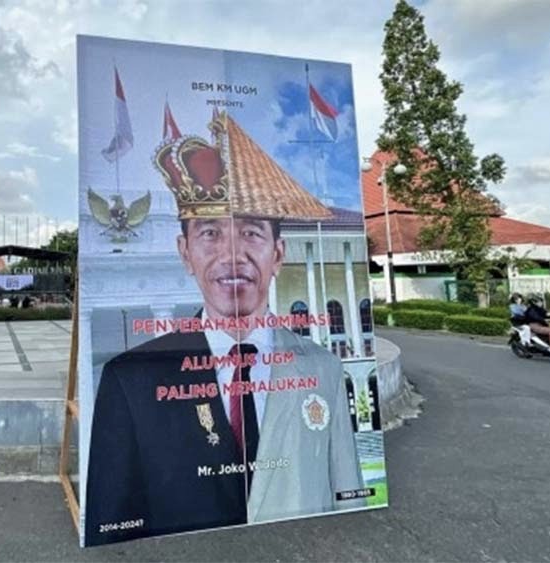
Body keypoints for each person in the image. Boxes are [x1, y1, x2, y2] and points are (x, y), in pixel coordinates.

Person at [84, 111, 365, 546]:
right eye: (211, 233)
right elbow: (113, 523)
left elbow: (349, 498)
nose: (233, 256)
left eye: (252, 234)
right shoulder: (130, 381)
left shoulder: (323, 369)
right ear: (185, 251)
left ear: (278, 253)